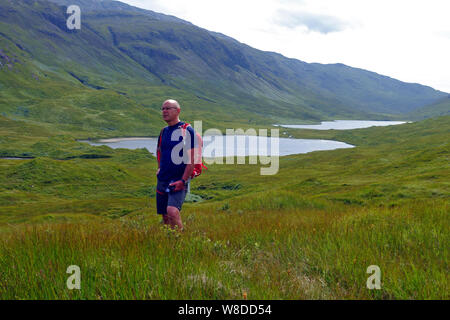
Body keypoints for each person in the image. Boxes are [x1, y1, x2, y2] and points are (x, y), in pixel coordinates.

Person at [156, 99, 196, 231]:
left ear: (177, 111)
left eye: (168, 108)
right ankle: (170, 242)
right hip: (163, 178)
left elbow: (191, 159)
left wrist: (183, 180)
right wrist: (159, 168)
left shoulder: (187, 130)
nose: (164, 111)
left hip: (178, 179)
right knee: (165, 216)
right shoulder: (164, 131)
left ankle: (181, 242)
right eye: (163, 109)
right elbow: (160, 151)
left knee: (172, 211)